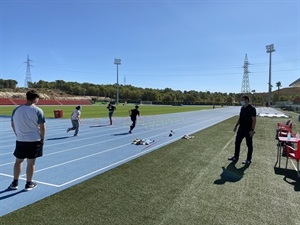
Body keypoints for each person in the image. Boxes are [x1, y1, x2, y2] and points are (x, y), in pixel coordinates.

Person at [9, 90, 46, 191]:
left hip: (20, 140)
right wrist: (42, 139)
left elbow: (13, 124)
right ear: (35, 98)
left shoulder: (16, 109)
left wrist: (17, 134)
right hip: (34, 140)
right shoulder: (38, 110)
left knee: (18, 161)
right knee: (31, 162)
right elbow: (42, 127)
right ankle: (28, 184)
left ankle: (14, 183)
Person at [228, 95, 256, 164]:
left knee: (249, 144)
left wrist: (252, 130)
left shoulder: (252, 109)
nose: (241, 101)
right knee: (237, 142)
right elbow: (240, 118)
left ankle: (248, 159)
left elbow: (254, 120)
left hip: (248, 129)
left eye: (242, 100)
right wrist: (236, 126)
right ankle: (236, 156)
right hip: (241, 129)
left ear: (246, 100)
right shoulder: (242, 108)